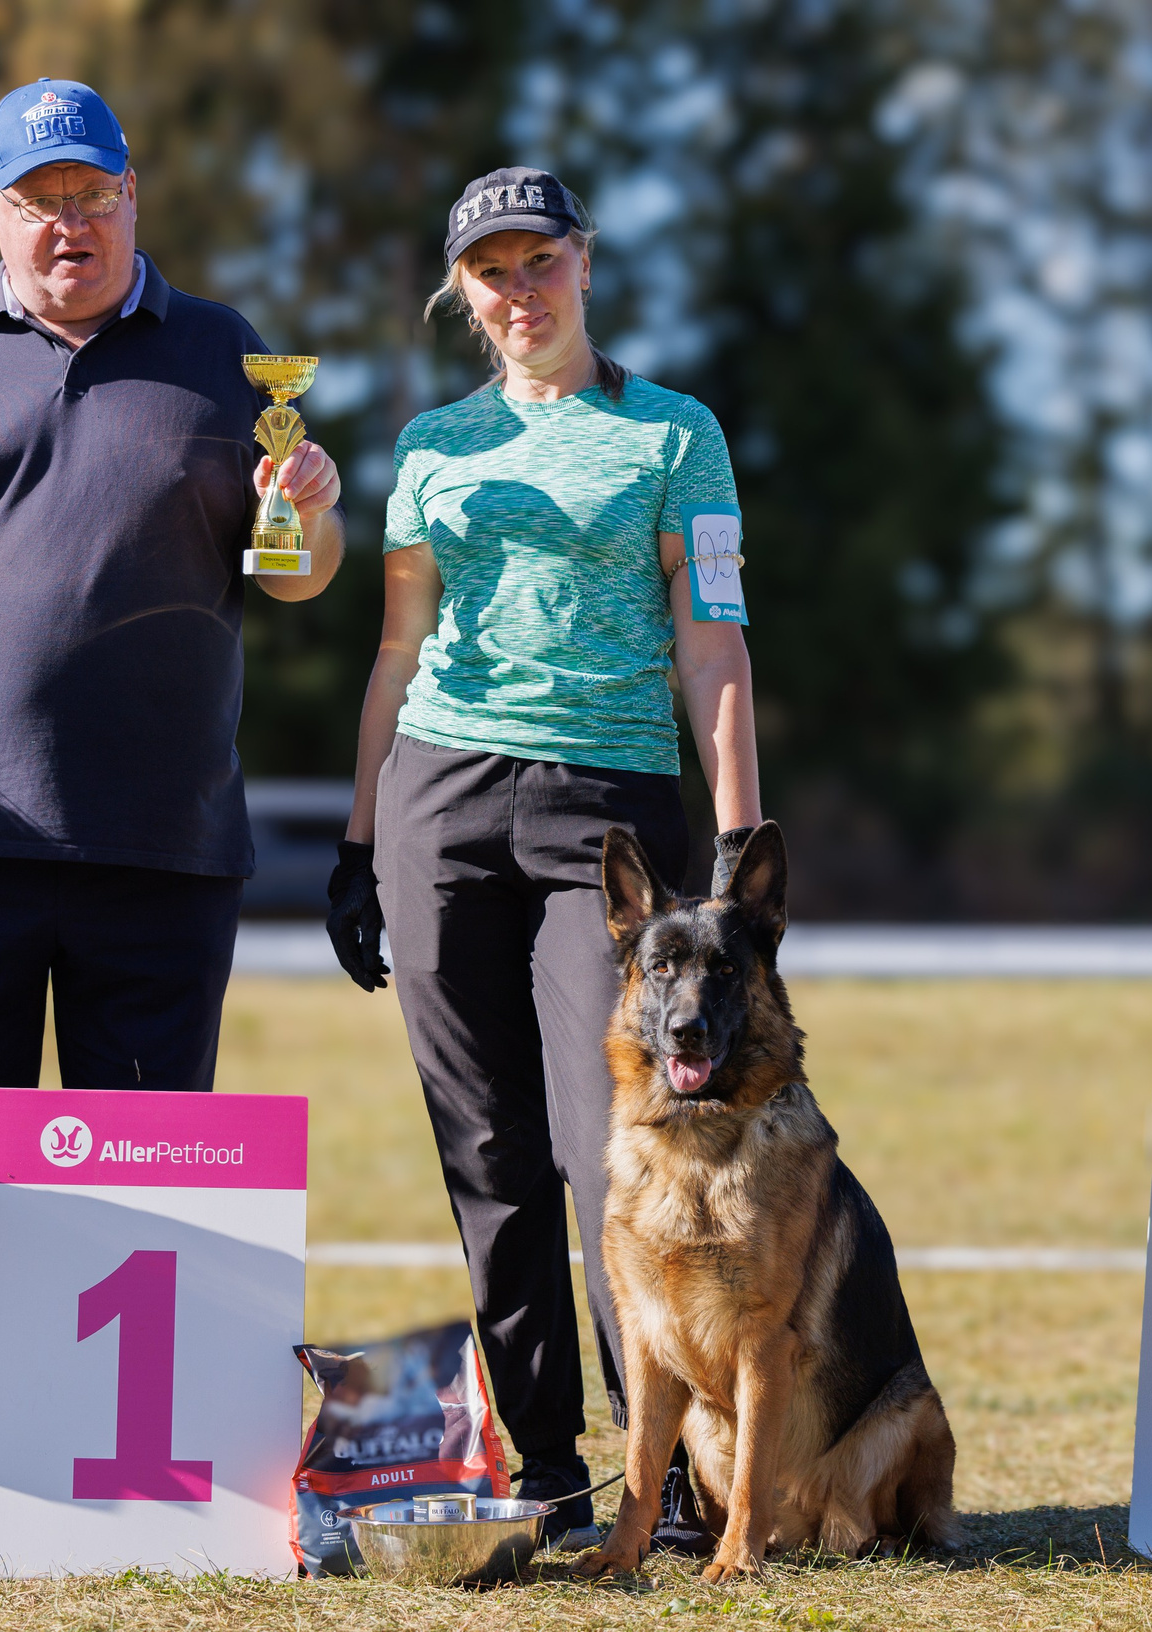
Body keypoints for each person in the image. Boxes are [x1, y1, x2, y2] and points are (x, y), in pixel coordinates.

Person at [0, 77, 344, 1540]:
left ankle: (129, 1477)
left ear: (131, 197)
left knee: (144, 1167)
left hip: (161, 845)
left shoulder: (227, 354)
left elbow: (295, 579)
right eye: (39, 203)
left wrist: (313, 511)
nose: (69, 227)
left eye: (92, 197)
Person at [326, 168, 762, 1543]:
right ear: (464, 291)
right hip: (438, 799)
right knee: (484, 1145)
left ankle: (666, 1472)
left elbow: (713, 647)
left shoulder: (675, 433)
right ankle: (546, 1469)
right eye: (492, 271)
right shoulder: (432, 444)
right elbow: (396, 648)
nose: (520, 291)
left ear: (585, 261)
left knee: (610, 1142)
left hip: (608, 810)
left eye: (540, 262)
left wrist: (738, 844)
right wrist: (356, 840)